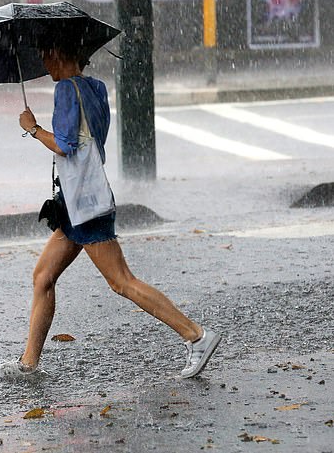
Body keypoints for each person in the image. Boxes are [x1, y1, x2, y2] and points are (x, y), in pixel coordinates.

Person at [13, 46, 221, 379]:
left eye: (47, 55)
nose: (44, 63)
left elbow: (66, 145)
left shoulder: (66, 89)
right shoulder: (95, 88)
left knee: (121, 281)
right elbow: (92, 142)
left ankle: (196, 335)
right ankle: (28, 364)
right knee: (43, 278)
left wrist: (33, 128)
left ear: (62, 54)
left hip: (86, 205)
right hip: (79, 202)